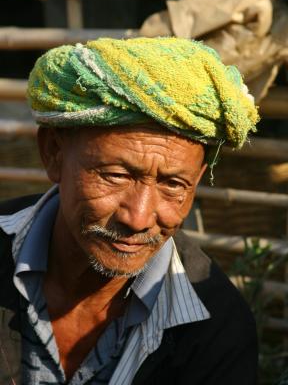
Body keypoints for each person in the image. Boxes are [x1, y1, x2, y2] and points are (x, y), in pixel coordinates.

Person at [0, 37, 259, 385]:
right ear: (53, 153)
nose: (138, 218)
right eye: (115, 176)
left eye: (173, 185)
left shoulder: (216, 327)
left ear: (197, 180)